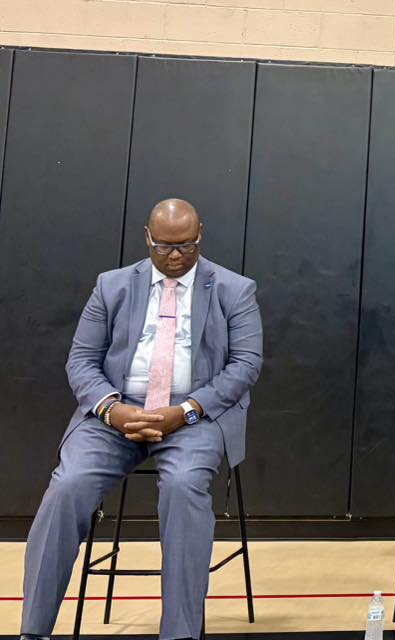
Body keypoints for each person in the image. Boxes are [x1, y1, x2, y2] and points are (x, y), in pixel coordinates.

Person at [21, 199, 263, 640]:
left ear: (201, 235)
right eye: (165, 247)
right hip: (116, 413)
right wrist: (112, 409)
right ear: (147, 237)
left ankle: (180, 633)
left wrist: (186, 410)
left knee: (184, 486)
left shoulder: (234, 289)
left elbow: (246, 365)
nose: (175, 256)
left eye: (186, 247)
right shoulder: (111, 286)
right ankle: (33, 631)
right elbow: (81, 360)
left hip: (194, 415)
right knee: (67, 486)